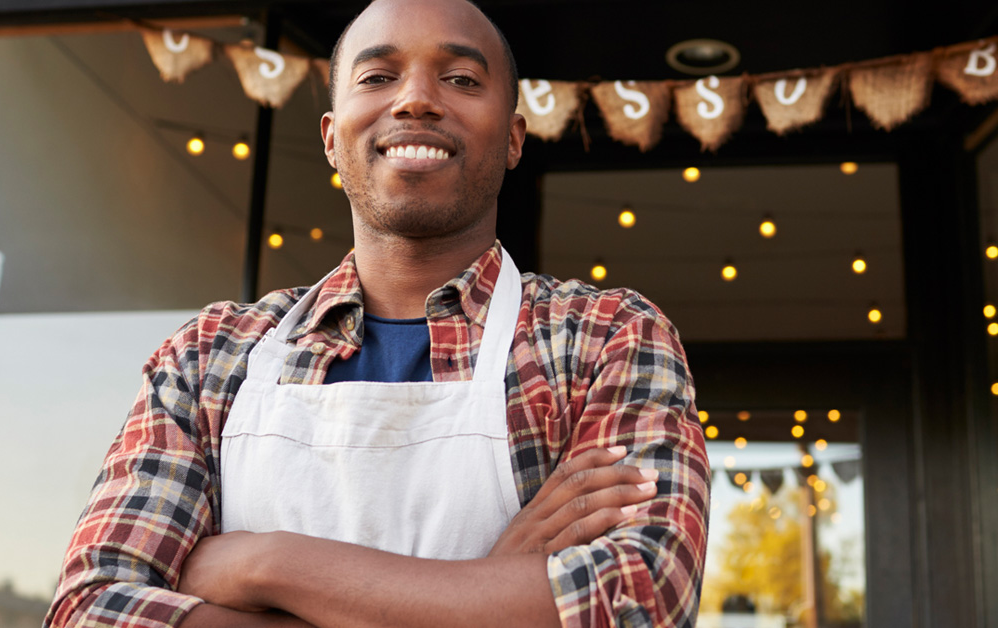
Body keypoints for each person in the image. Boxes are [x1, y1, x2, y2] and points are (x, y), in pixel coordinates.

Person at [45, 0, 710, 626]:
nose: (417, 98)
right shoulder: (210, 355)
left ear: (512, 140)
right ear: (332, 140)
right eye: (378, 75)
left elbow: (639, 596)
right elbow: (92, 608)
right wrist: (488, 588)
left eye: (459, 78)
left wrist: (266, 563)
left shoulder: (603, 338)